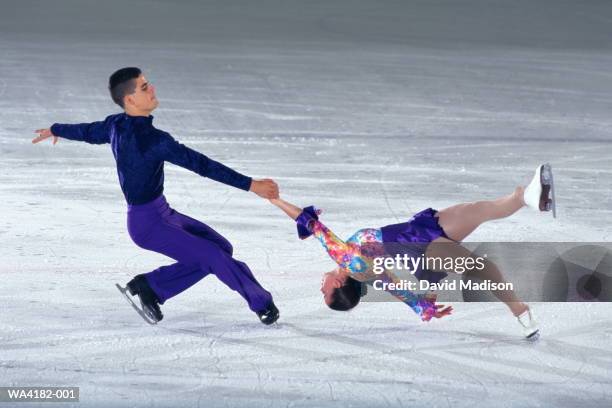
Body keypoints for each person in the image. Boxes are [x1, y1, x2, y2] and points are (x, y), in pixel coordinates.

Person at [32, 67, 280, 325]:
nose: (152, 90)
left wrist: (55, 129)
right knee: (214, 257)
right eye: (144, 87)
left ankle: (151, 286)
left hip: (163, 213)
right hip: (148, 225)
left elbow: (87, 131)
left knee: (221, 249)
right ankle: (261, 303)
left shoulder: (115, 125)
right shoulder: (152, 140)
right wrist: (251, 185)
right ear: (130, 100)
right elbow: (202, 165)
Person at [269, 164, 555, 339]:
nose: (321, 288)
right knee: (479, 265)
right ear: (339, 285)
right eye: (325, 292)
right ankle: (521, 311)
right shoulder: (345, 260)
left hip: (420, 230)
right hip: (420, 248)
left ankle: (528, 196)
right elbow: (313, 226)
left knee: (480, 209)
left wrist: (423, 306)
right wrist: (277, 200)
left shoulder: (365, 273)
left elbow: (398, 290)